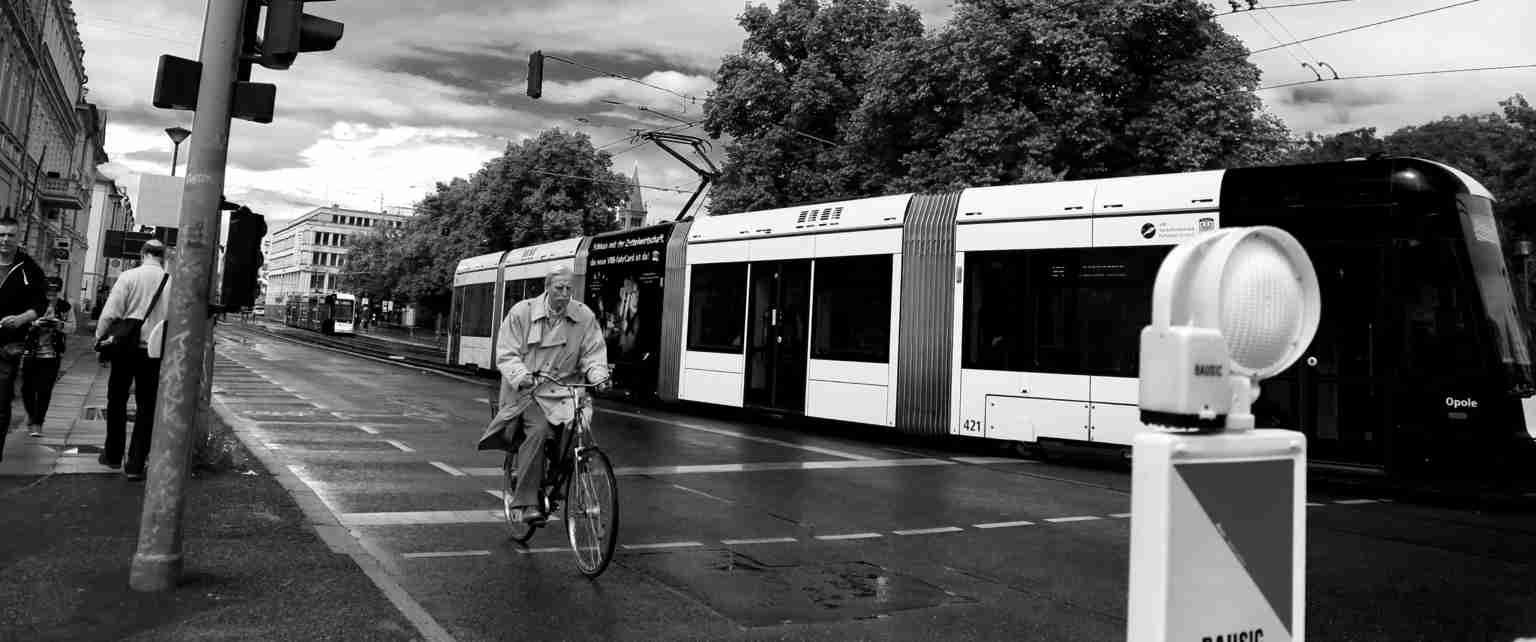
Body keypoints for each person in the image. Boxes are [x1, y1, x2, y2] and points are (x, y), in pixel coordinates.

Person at [477, 264, 609, 524]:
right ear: (547, 287)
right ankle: (526, 503)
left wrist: (598, 376)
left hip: (564, 389)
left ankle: (558, 484)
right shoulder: (521, 312)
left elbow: (593, 353)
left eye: (569, 289)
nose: (565, 293)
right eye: (559, 288)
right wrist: (521, 375)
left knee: (578, 427)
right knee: (537, 431)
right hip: (529, 391)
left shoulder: (584, 316)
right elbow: (506, 352)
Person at [95, 239, 171, 480]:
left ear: (143, 253)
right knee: (147, 407)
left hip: (125, 348)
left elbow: (111, 313)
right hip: (154, 350)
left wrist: (99, 338)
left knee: (116, 400)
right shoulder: (172, 281)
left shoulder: (129, 277)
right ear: (163, 256)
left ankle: (113, 456)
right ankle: (136, 464)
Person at [0, 217, 48, 463]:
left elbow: (41, 303)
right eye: (1, 235)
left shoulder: (29, 268)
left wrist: (21, 319)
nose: (5, 240)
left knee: (1, 397)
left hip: (8, 344)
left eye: (10, 235)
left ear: (18, 238)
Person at [21, 277, 74, 437]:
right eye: (48, 292)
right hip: (31, 352)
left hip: (52, 354)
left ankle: (38, 423)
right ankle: (31, 415)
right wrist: (35, 324)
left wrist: (59, 325)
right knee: (27, 389)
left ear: (59, 291)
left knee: (45, 390)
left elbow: (72, 327)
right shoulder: (33, 304)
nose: (51, 295)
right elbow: (21, 323)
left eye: (55, 292)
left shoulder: (65, 307)